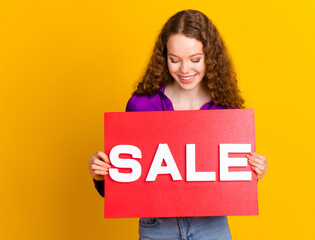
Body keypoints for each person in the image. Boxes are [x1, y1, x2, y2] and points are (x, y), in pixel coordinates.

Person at [88, 9, 268, 240]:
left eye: (195, 60)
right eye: (175, 60)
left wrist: (253, 172)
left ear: (210, 57)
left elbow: (230, 185)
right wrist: (102, 175)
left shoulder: (227, 110)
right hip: (157, 228)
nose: (185, 70)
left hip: (211, 227)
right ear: (164, 58)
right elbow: (122, 191)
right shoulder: (141, 105)